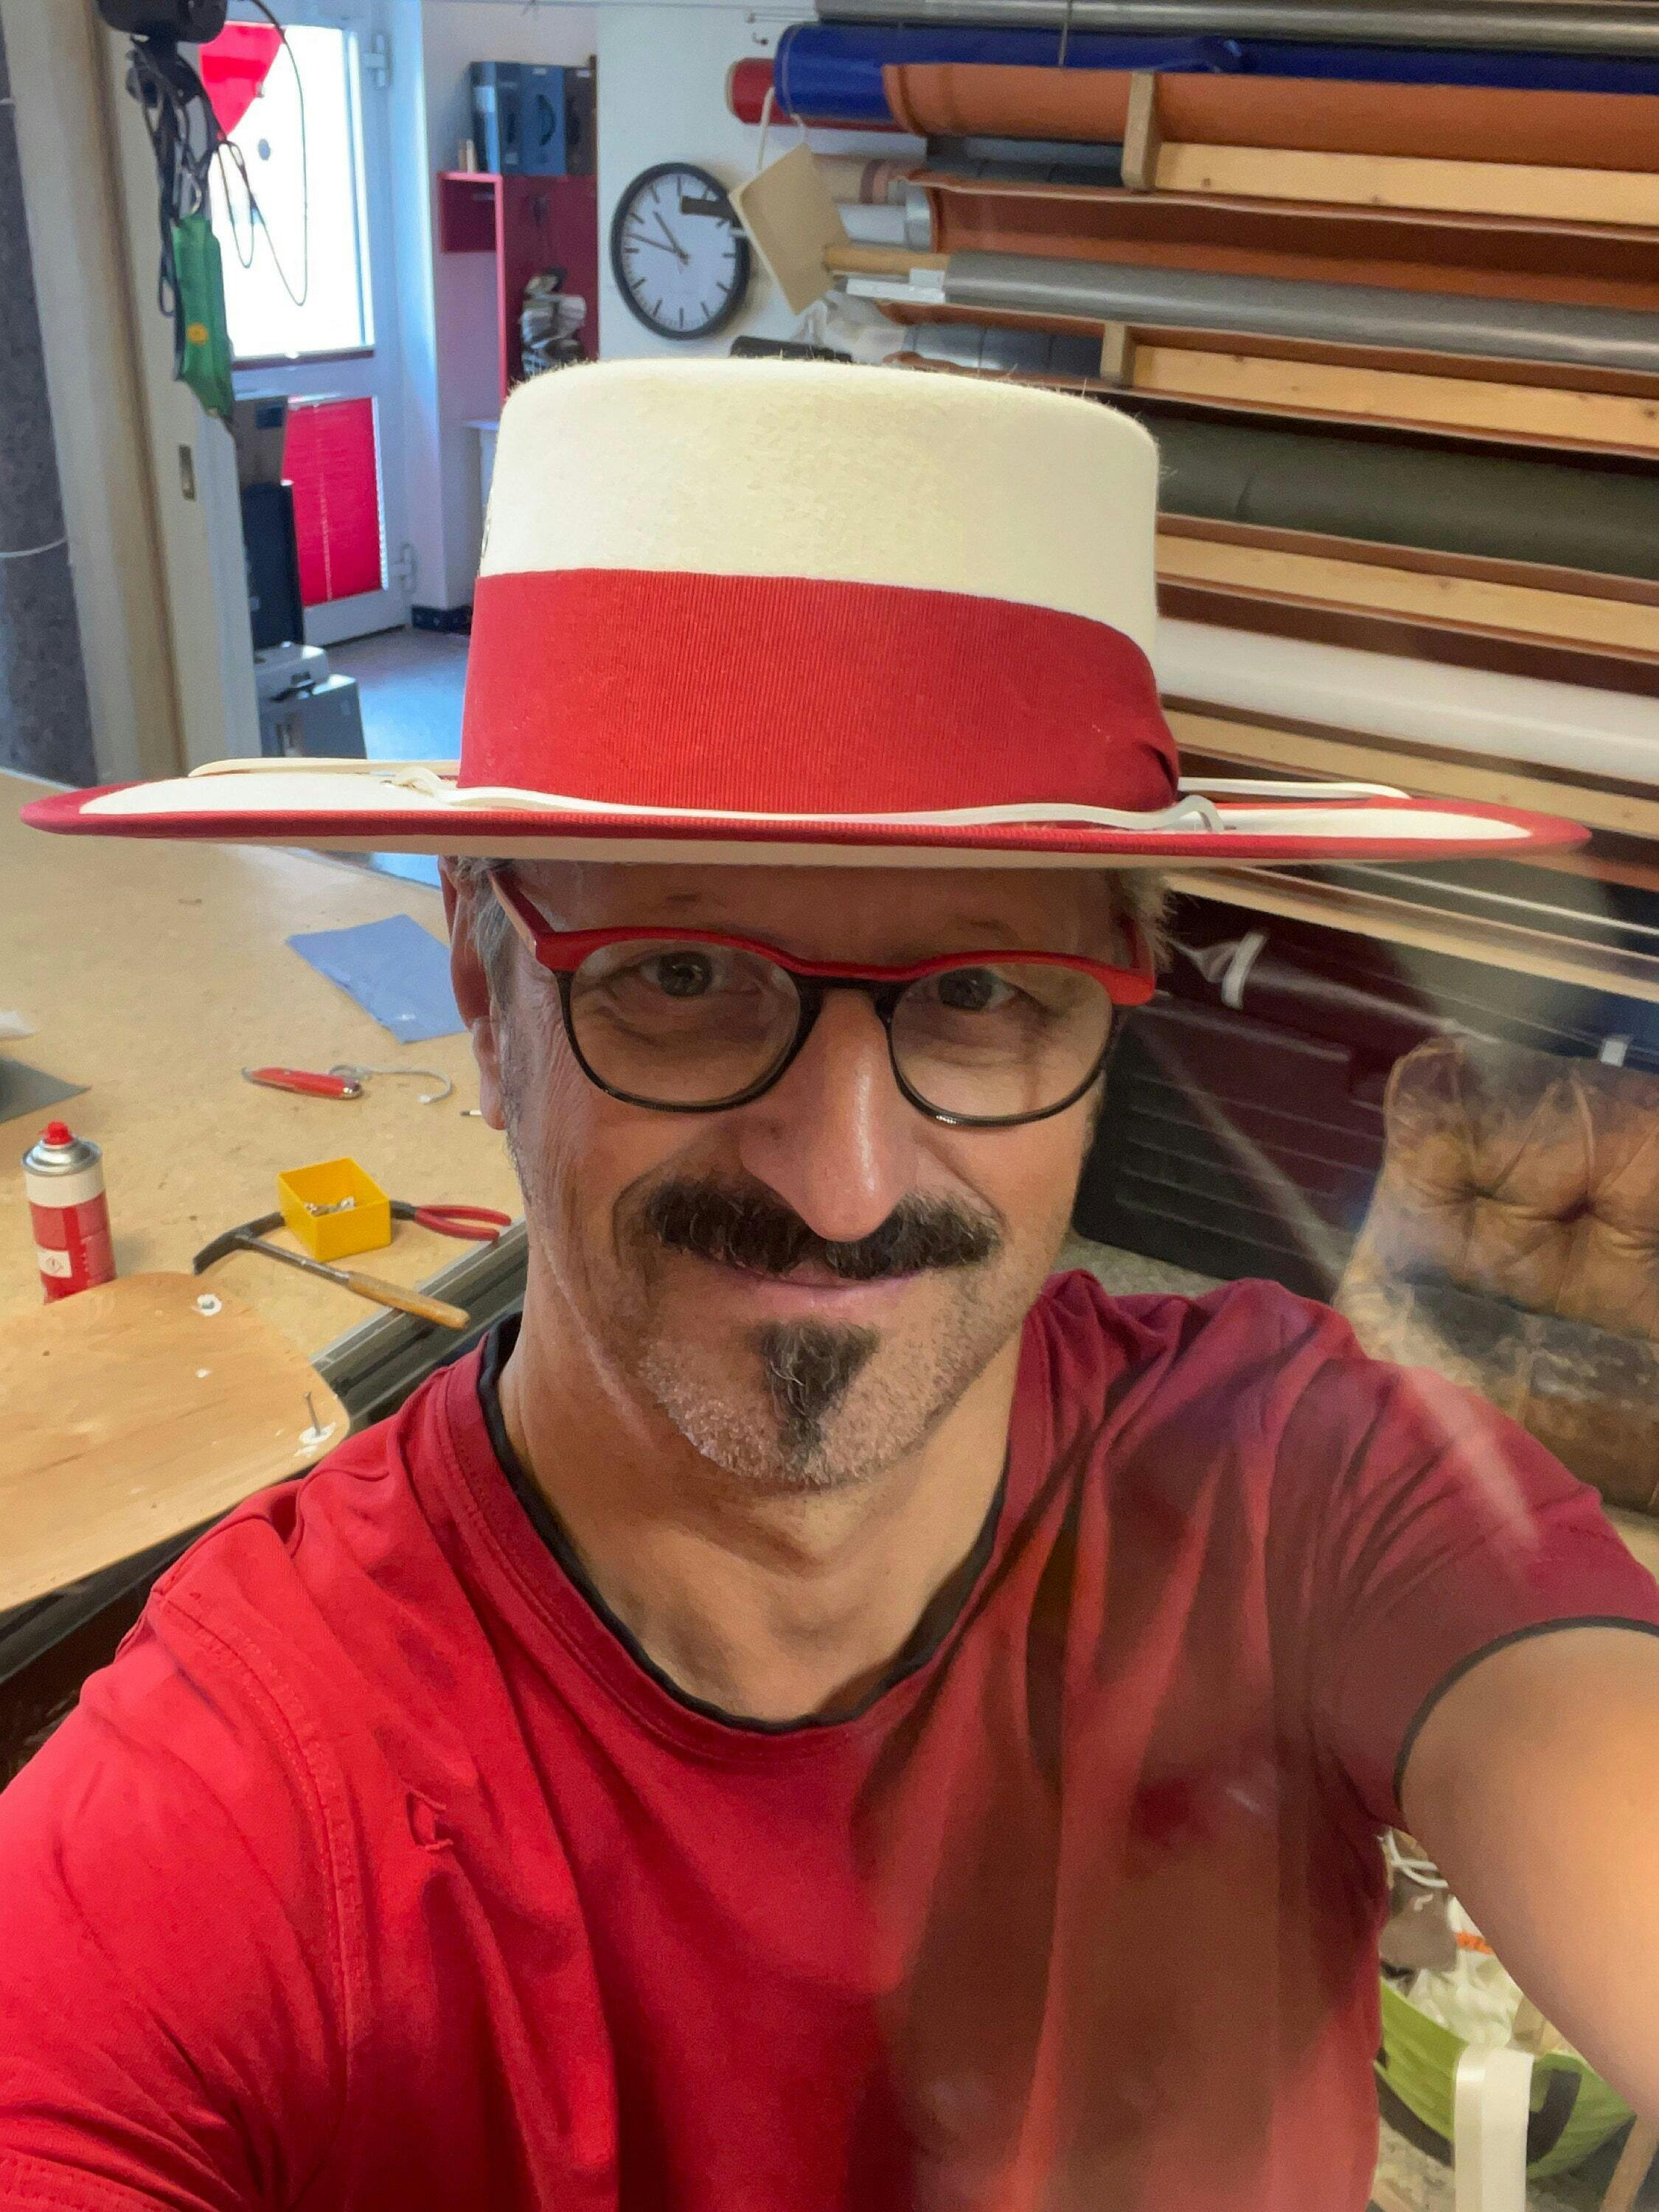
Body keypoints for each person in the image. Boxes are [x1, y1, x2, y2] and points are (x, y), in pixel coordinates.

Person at [5, 361, 1658, 2212]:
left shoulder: (1298, 1486)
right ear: (483, 982)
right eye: (683, 975)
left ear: (1113, 1004)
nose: (845, 1183)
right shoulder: (246, 1799)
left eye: (980, 993)